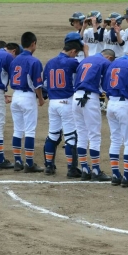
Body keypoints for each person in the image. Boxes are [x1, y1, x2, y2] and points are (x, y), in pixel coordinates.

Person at [42, 33, 83, 177]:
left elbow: (45, 83)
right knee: (71, 136)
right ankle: (72, 169)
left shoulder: (50, 62)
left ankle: (48, 166)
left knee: (53, 134)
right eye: (75, 53)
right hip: (66, 102)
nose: (75, 56)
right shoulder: (72, 62)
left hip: (53, 103)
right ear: (72, 51)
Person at [103, 47, 128, 187]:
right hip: (124, 104)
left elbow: (105, 87)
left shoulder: (112, 63)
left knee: (115, 139)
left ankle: (115, 175)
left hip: (110, 104)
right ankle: (127, 176)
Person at [73, 49, 115, 181]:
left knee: (81, 134)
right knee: (94, 135)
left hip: (76, 97)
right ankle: (96, 171)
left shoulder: (85, 60)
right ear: (109, 57)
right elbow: (107, 84)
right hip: (89, 98)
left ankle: (85, 169)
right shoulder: (105, 62)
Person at [10, 32, 45, 172]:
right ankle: (29, 163)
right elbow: (37, 84)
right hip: (28, 97)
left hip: (15, 96)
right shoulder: (34, 61)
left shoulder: (14, 60)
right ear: (33, 43)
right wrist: (41, 98)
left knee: (18, 130)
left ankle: (18, 161)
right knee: (29, 131)